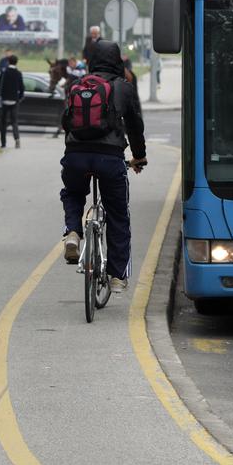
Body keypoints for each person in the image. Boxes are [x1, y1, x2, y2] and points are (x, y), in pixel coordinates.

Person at [60, 40, 147, 294]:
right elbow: (135, 126)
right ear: (117, 61)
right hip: (109, 158)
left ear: (92, 60)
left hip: (75, 154)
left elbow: (67, 122)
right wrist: (138, 156)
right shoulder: (123, 87)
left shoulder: (77, 85)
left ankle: (73, 232)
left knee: (73, 193)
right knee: (118, 213)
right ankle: (118, 276)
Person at [0, 55, 25, 148]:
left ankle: (3, 143)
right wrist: (19, 98)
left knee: (3, 123)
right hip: (14, 101)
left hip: (4, 101)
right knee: (14, 122)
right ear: (16, 62)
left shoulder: (4, 72)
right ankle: (17, 140)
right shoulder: (18, 73)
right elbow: (22, 88)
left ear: (8, 62)